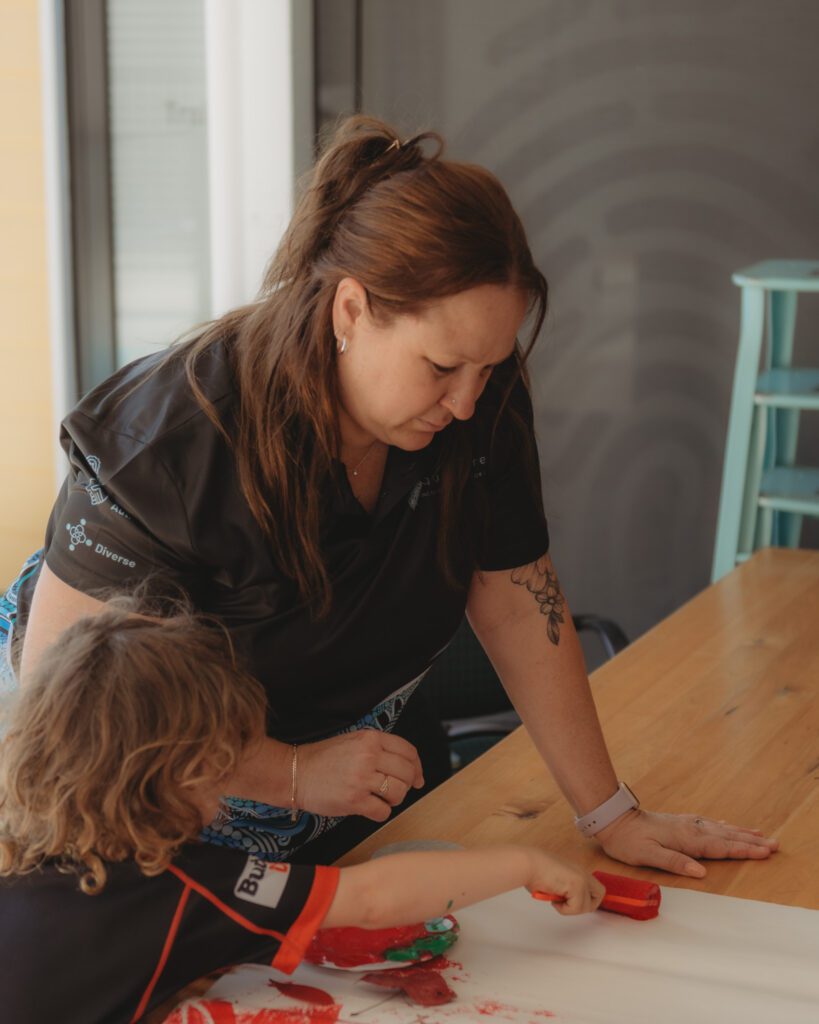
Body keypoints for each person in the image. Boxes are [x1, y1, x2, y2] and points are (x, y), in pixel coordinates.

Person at [5, 114, 777, 871]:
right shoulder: (167, 444)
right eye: (441, 367)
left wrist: (610, 814)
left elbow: (514, 601)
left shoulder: (477, 400)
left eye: (489, 366)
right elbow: (74, 708)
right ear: (351, 310)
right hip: (138, 798)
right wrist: (292, 774)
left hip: (342, 776)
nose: (468, 403)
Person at [0, 601, 605, 1024]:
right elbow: (369, 899)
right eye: (225, 764)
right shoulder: (179, 885)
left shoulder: (19, 834)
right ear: (177, 778)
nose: (230, 790)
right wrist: (525, 862)